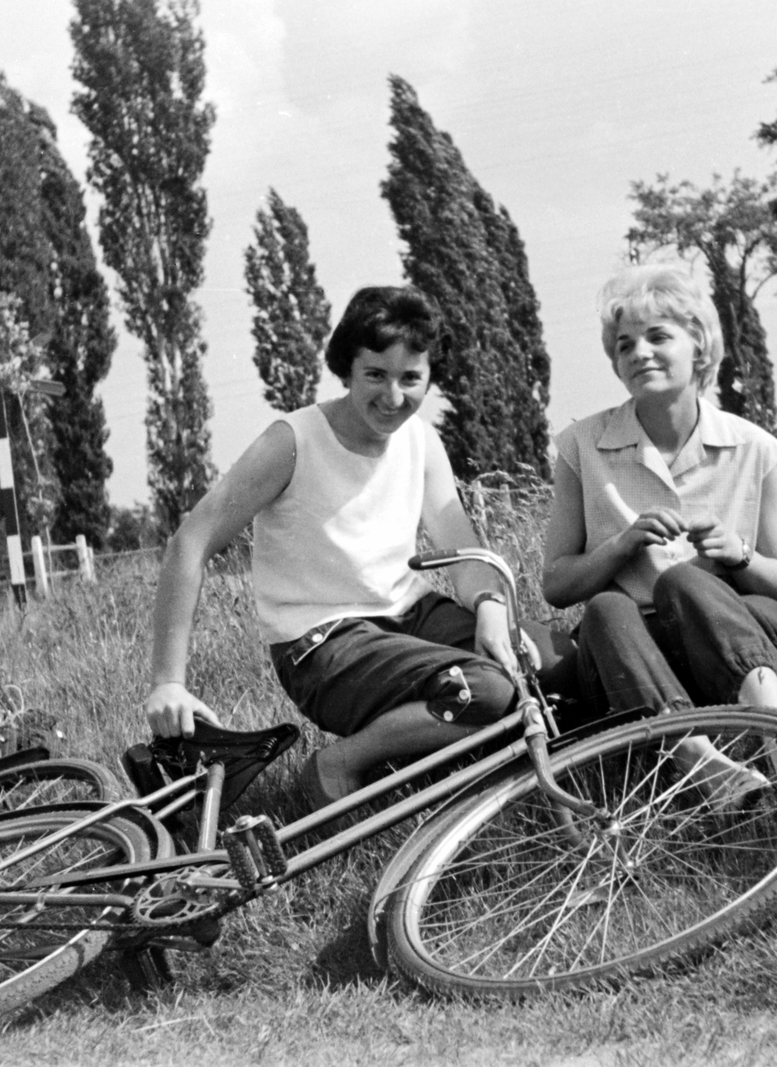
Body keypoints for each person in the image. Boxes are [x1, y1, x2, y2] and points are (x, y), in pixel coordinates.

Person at [143, 285, 528, 807]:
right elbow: (189, 543)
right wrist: (169, 681)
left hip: (408, 615)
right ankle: (339, 763)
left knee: (537, 661)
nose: (393, 397)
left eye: (411, 378)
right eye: (375, 375)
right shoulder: (293, 440)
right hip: (322, 643)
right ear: (346, 369)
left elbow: (463, 551)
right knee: (485, 690)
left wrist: (488, 606)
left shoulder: (421, 441)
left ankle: (433, 756)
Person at [541, 263, 777, 799]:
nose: (639, 352)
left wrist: (737, 553)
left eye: (658, 336)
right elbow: (556, 584)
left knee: (683, 582)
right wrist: (621, 547)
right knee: (605, 609)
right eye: (624, 345)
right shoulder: (579, 446)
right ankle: (706, 768)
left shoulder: (753, 446)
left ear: (699, 346)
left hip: (724, 637)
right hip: (630, 657)